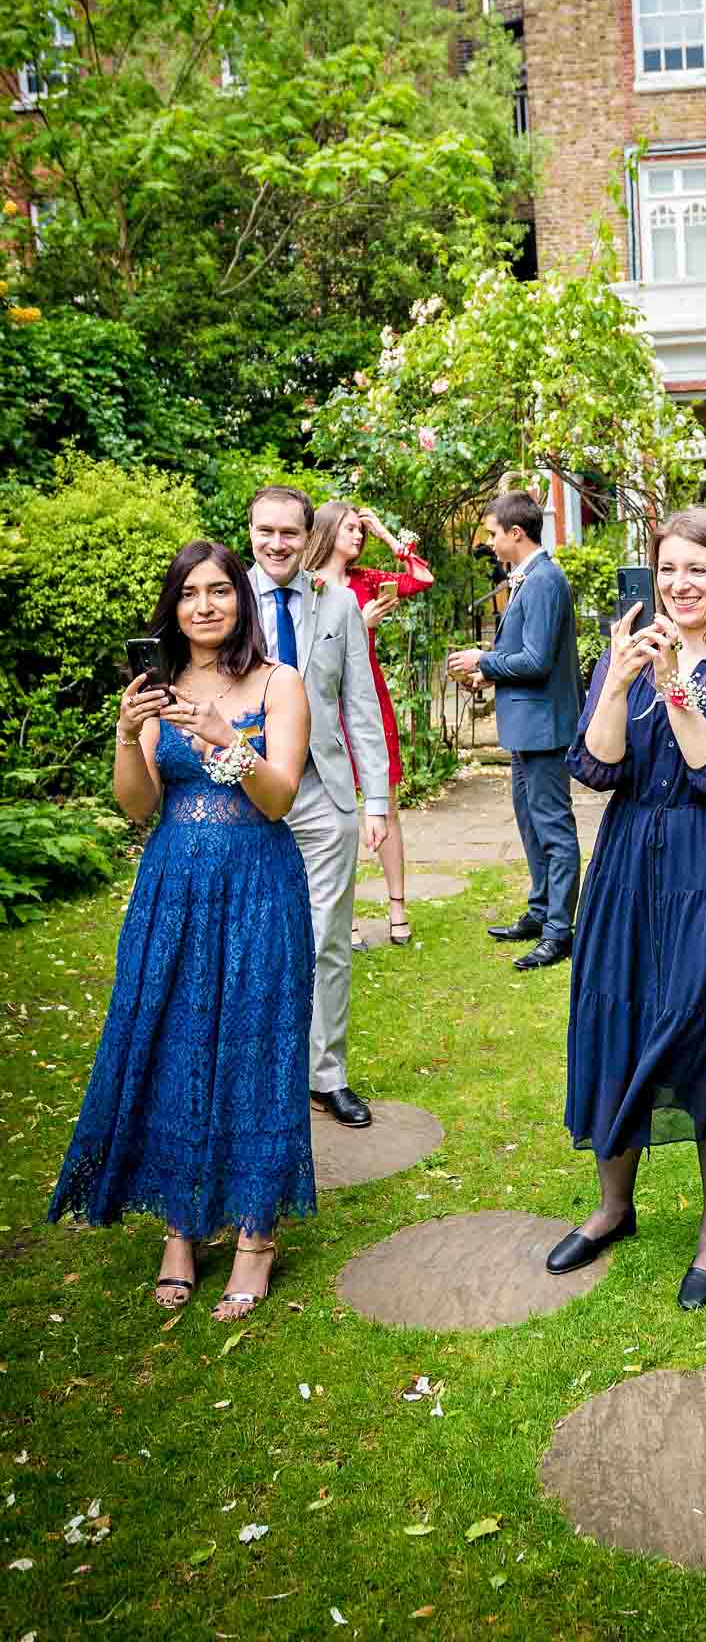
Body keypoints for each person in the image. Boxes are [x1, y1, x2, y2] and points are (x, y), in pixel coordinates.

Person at [49, 541, 315, 1320]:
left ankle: (256, 1236)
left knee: (256, 1042)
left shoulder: (279, 683)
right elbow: (137, 806)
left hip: (258, 883)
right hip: (173, 885)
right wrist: (130, 734)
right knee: (174, 1042)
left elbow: (279, 800)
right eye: (189, 594)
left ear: (242, 601)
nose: (204, 606)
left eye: (219, 592)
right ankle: (180, 1226)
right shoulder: (154, 688)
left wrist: (227, 741)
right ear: (173, 607)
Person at [546, 508, 706, 1309]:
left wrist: (675, 693)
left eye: (698, 570)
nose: (679, 585)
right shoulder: (625, 658)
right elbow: (595, 766)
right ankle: (614, 1208)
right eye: (667, 571)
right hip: (626, 874)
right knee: (613, 1026)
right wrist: (617, 683)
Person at [248, 485, 390, 1129]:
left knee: (328, 938)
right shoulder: (224, 598)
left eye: (289, 532)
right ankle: (254, 1069)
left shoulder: (338, 605)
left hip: (323, 793)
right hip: (242, 791)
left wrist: (377, 801)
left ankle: (325, 1074)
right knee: (249, 937)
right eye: (265, 531)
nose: (277, 544)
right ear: (249, 532)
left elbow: (360, 707)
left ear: (310, 538)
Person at [447, 491, 582, 971]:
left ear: (515, 534)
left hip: (544, 728)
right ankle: (541, 910)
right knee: (529, 823)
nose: (489, 541)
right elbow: (525, 657)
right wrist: (491, 673)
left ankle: (560, 931)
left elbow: (538, 660)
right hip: (527, 726)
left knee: (553, 827)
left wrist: (483, 660)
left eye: (492, 533)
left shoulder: (544, 581)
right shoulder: (531, 578)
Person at [303, 501, 435, 950]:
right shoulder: (310, 587)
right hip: (324, 705)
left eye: (362, 530)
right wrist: (358, 624)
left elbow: (422, 578)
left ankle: (398, 909)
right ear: (325, 531)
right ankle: (349, 918)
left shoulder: (368, 581)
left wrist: (386, 533)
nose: (357, 536)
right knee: (336, 814)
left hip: (369, 700)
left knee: (387, 806)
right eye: (351, 528)